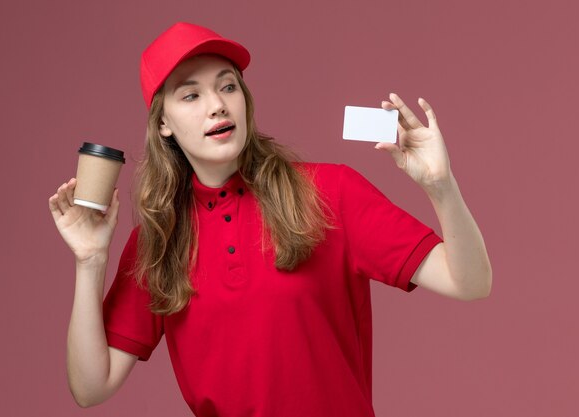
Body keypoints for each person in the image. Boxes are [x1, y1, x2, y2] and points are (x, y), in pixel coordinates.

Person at [48, 22, 491, 417]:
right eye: (191, 95)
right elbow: (90, 388)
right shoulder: (158, 240)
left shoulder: (330, 192)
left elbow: (469, 282)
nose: (217, 106)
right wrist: (91, 261)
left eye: (228, 87)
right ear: (163, 123)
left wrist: (441, 187)